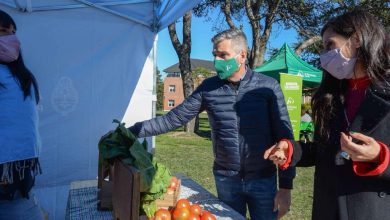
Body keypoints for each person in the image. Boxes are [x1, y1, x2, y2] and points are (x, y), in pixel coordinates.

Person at [126, 29, 295, 219]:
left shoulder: (268, 87)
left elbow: (286, 138)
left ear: (242, 56)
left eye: (223, 55)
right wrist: (132, 131)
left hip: (263, 179)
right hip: (227, 179)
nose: (217, 61)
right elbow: (173, 119)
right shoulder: (209, 87)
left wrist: (286, 187)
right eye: (215, 55)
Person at [264, 9, 390, 220]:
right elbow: (325, 150)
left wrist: (380, 157)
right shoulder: (331, 96)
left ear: (357, 39)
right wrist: (291, 149)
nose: (324, 55)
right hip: (327, 208)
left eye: (330, 45)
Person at [0, 10, 44, 220]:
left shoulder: (24, 77)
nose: (11, 39)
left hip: (20, 177)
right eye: (2, 32)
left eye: (13, 33)